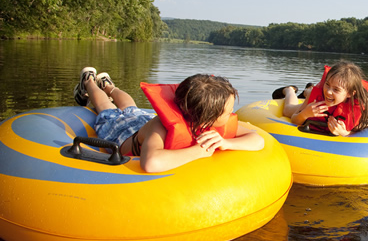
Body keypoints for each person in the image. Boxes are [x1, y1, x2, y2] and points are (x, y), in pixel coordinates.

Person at [73, 67, 264, 173]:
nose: (232, 113)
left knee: (131, 108)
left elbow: (258, 139)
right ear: (207, 118)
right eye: (228, 110)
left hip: (141, 120)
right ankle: (89, 81)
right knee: (109, 110)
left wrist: (225, 142)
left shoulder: (215, 126)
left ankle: (108, 85)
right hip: (123, 133)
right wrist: (198, 151)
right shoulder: (160, 128)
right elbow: (150, 164)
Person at [272, 61, 368, 137]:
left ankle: (307, 90)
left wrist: (344, 133)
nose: (328, 91)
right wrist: (305, 114)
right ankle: (289, 90)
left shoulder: (358, 108)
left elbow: (359, 134)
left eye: (336, 89)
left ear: (349, 94)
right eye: (327, 85)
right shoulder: (319, 95)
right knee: (287, 110)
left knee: (314, 92)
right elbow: (294, 119)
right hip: (315, 100)